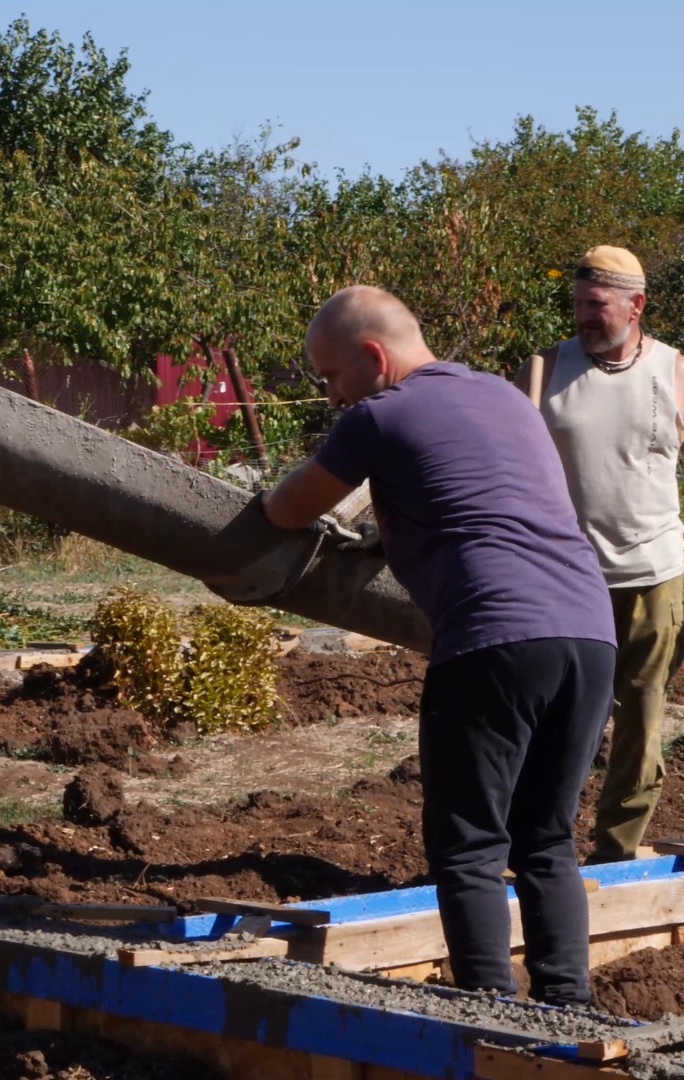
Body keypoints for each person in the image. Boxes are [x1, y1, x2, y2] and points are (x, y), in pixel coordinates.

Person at [261, 286, 615, 1005]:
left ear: (372, 356)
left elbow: (288, 507)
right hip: (589, 632)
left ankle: (490, 1008)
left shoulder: (377, 415)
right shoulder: (504, 397)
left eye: (330, 376)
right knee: (547, 839)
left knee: (470, 844)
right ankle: (565, 1008)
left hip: (494, 636)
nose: (330, 396)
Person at [516, 245, 684, 864]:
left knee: (641, 720)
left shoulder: (675, 373)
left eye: (595, 305)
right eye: (576, 304)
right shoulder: (545, 370)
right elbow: (506, 471)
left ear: (636, 305)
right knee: (559, 719)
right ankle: (541, 846)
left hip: (652, 576)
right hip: (565, 580)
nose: (582, 317)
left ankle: (617, 851)